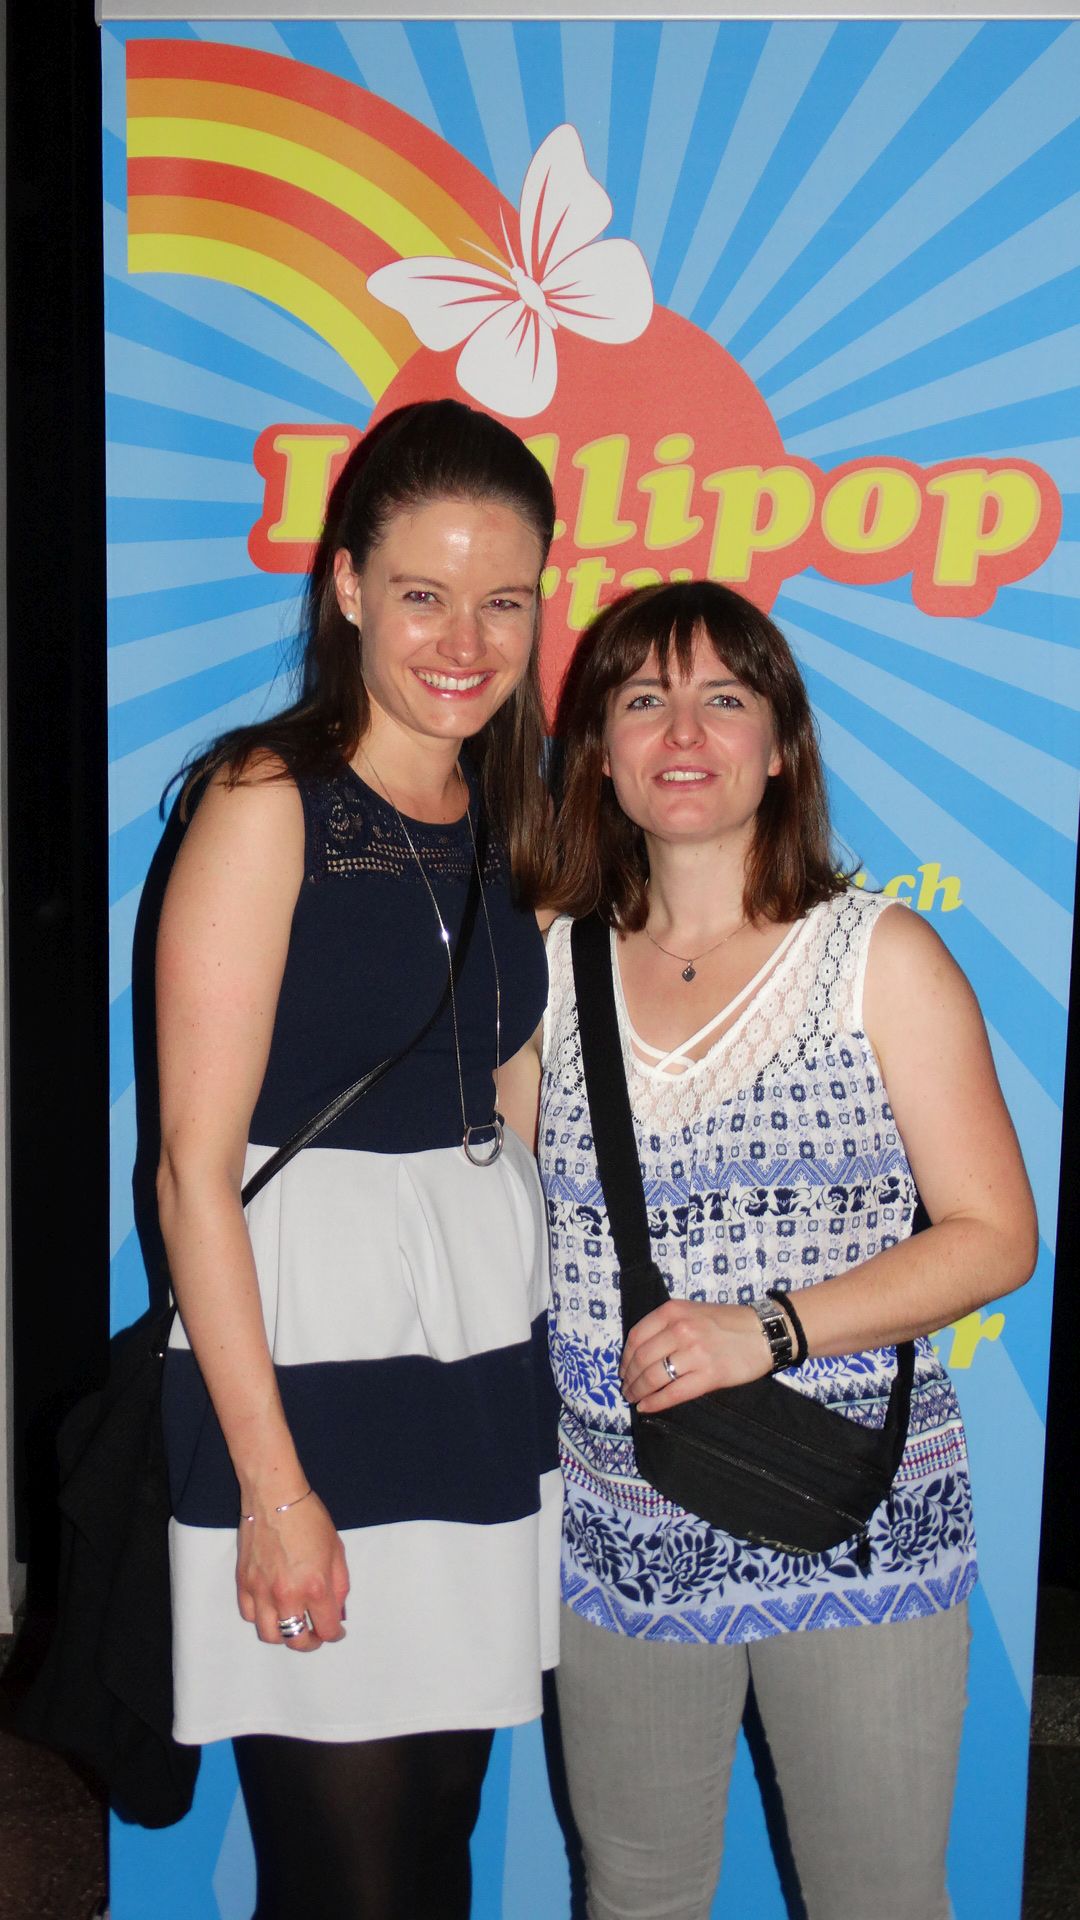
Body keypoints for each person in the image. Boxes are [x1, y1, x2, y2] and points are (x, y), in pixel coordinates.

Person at [531, 579, 1037, 1920]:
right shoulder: (549, 971)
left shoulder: (879, 956)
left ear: (779, 747)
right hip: (624, 1529)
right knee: (633, 1898)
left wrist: (769, 1329)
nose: (683, 731)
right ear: (598, 751)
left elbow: (996, 1236)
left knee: (879, 1898)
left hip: (859, 1522)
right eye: (644, 699)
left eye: (724, 697)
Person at [154, 399, 562, 1920]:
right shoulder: (267, 802)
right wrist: (275, 1492)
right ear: (345, 587)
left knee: (435, 1841)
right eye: (423, 594)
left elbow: (515, 1107)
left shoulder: (508, 810)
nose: (466, 641)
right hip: (304, 1377)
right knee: (347, 1879)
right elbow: (191, 1173)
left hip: (475, 1369)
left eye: (504, 600)